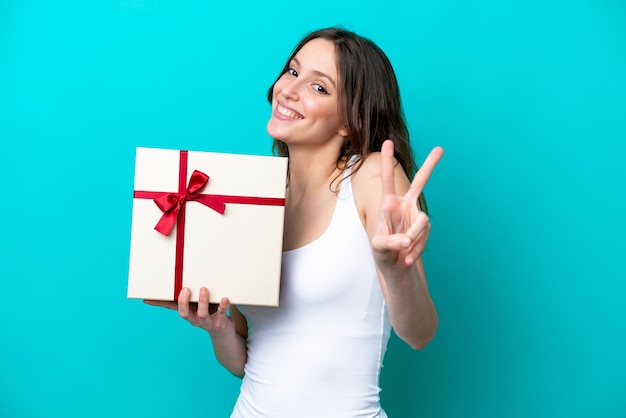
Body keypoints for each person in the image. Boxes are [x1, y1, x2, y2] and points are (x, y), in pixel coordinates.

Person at [146, 27, 443, 417]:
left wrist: (397, 271)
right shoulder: (254, 196)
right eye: (292, 71)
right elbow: (247, 362)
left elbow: (419, 334)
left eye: (319, 88)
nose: (289, 89)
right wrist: (218, 328)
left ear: (350, 121)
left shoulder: (371, 177)